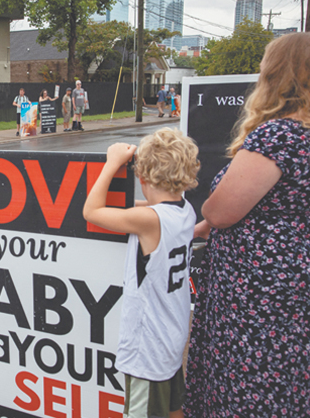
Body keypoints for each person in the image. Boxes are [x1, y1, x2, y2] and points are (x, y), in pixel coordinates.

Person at [184, 32, 310, 417]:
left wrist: (207, 219)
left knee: (251, 375)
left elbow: (222, 211)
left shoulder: (279, 136)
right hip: (292, 277)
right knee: (287, 374)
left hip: (259, 286)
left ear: (276, 75)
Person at [83, 128, 200, 418]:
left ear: (142, 177)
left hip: (148, 348)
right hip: (171, 336)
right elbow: (139, 208)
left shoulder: (149, 220)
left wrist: (111, 163)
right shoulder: (185, 211)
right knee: (174, 408)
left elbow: (92, 210)